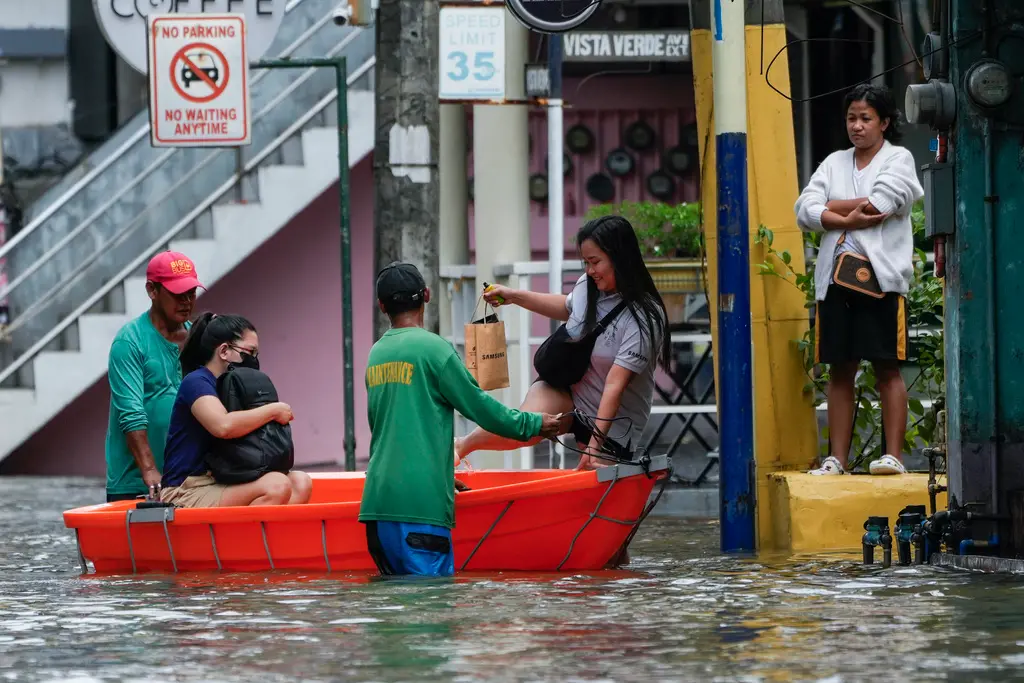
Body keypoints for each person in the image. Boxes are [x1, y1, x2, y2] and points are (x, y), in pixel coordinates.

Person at [359, 262, 562, 578]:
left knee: (393, 616)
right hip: (421, 509)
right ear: (426, 296)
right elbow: (479, 407)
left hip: (377, 507)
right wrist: (534, 424)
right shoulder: (434, 349)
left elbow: (388, 429)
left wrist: (438, 470)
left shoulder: (376, 354)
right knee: (432, 613)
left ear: (381, 306)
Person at [455, 215, 671, 470]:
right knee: (525, 427)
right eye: (586, 263)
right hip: (568, 390)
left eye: (595, 262)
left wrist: (594, 447)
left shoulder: (644, 317)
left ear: (620, 258)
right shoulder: (587, 285)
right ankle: (460, 446)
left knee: (597, 483)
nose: (589, 271)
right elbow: (569, 307)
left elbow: (615, 384)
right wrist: (513, 296)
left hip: (614, 422)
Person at [794, 83, 924, 476]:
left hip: (879, 280)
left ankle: (894, 458)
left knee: (887, 365)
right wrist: (845, 215)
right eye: (852, 117)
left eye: (866, 118)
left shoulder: (898, 159)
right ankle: (837, 459)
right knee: (839, 368)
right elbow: (803, 209)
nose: (857, 125)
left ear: (884, 122)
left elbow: (879, 205)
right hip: (835, 280)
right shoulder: (834, 161)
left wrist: (831, 209)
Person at [159, 313, 313, 508]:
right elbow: (223, 426)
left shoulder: (234, 385)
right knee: (276, 485)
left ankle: (266, 537)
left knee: (300, 482)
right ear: (224, 351)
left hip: (222, 479)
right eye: (250, 352)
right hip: (186, 489)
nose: (254, 360)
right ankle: (244, 539)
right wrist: (273, 411)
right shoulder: (197, 382)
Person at [105, 251, 203, 503]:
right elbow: (131, 411)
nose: (186, 301)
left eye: (191, 293)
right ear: (152, 290)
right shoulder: (130, 340)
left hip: (186, 477)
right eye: (177, 294)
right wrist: (149, 470)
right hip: (137, 481)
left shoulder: (198, 339)